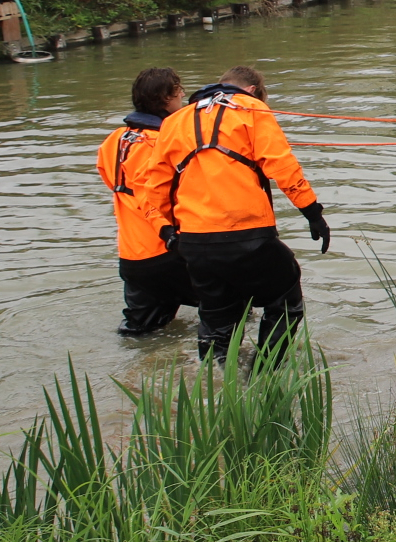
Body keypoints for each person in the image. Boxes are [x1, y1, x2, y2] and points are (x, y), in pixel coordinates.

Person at [142, 66, 328, 362]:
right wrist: (312, 211)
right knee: (285, 300)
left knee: (216, 318)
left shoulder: (175, 121)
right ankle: (265, 372)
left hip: (195, 242)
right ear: (253, 91)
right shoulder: (253, 109)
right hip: (248, 235)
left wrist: (165, 231)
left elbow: (153, 188)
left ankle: (217, 385)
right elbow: (282, 165)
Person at [98, 67, 198, 336]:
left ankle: (137, 374)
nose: (183, 97)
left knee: (140, 332)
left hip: (131, 256)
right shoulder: (162, 143)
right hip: (165, 250)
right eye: (179, 92)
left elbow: (111, 179)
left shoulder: (114, 140)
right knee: (231, 302)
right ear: (167, 98)